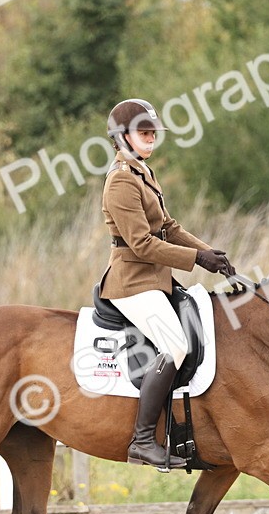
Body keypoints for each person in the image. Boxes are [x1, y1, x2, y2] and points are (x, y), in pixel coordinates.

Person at [100, 98, 235, 469]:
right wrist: (195, 260)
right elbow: (142, 243)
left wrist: (211, 254)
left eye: (153, 131)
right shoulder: (120, 181)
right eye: (143, 131)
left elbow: (169, 227)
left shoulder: (143, 172)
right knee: (175, 346)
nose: (151, 137)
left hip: (154, 280)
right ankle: (143, 440)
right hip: (131, 282)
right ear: (121, 136)